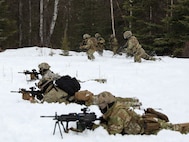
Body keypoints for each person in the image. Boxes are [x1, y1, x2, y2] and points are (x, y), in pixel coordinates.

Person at [75, 91, 189, 135]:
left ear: (107, 105)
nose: (100, 108)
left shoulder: (117, 114)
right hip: (144, 122)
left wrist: (93, 126)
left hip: (149, 127)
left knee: (177, 129)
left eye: (101, 106)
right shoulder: (114, 106)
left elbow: (113, 133)